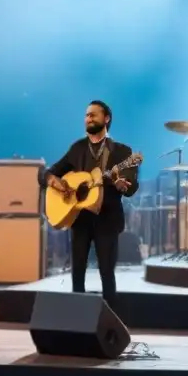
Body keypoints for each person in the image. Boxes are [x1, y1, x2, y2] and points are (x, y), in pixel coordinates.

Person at [41, 100, 138, 304]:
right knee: (77, 272)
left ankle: (110, 321)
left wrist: (123, 185)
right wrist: (55, 182)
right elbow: (47, 173)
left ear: (107, 119)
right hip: (80, 220)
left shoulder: (122, 152)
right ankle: (77, 318)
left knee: (106, 273)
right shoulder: (77, 149)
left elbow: (131, 186)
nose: (88, 118)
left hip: (107, 219)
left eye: (93, 114)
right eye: (86, 115)